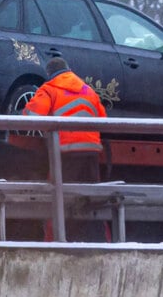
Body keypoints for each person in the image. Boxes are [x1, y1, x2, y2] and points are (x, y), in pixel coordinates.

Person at [23, 57, 108, 240]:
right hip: (91, 151)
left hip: (66, 151)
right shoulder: (88, 90)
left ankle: (54, 242)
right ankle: (100, 241)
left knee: (58, 199)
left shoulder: (49, 88)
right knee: (93, 200)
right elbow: (103, 118)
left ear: (50, 73)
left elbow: (33, 115)